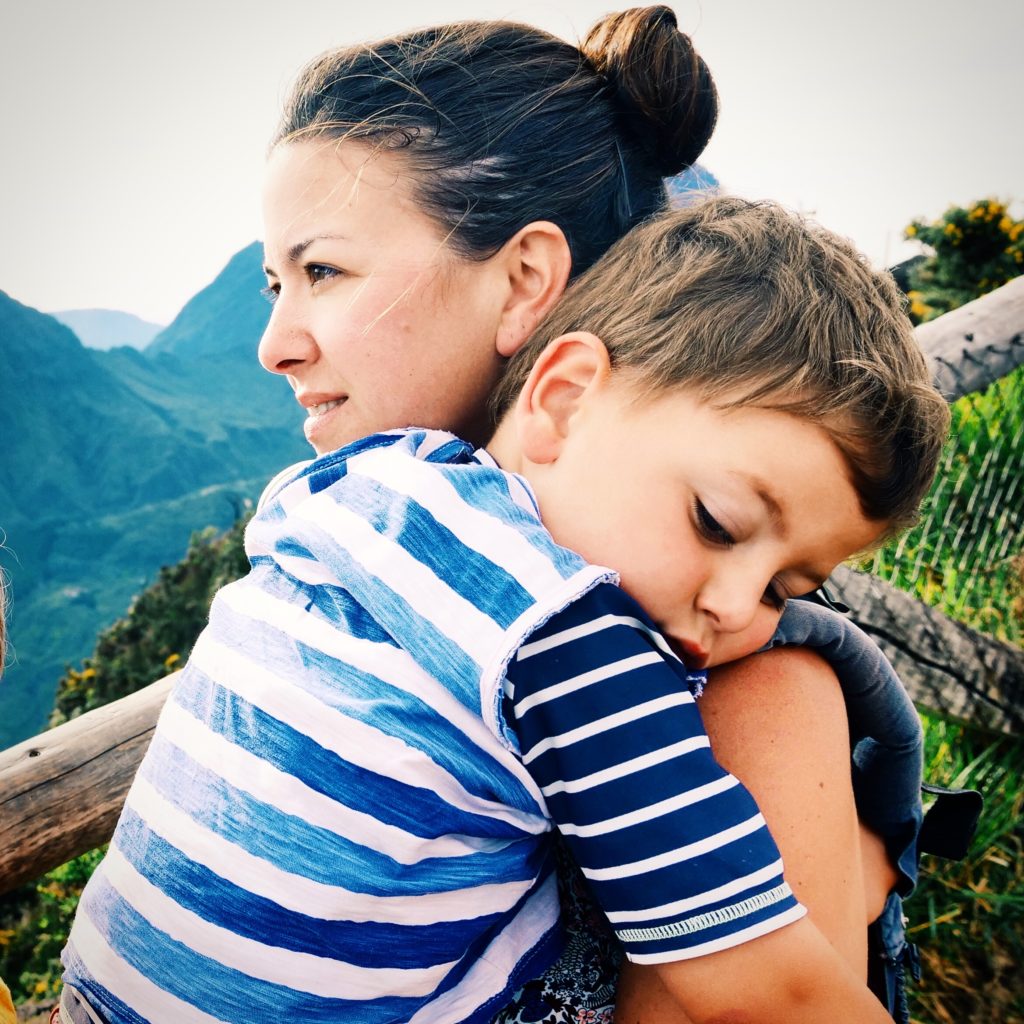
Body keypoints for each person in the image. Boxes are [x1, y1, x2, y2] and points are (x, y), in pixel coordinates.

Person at [50, 9, 934, 1023]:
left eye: (323, 271)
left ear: (524, 283)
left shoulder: (386, 522)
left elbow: (768, 992)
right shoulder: (422, 536)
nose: (275, 343)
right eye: (276, 281)